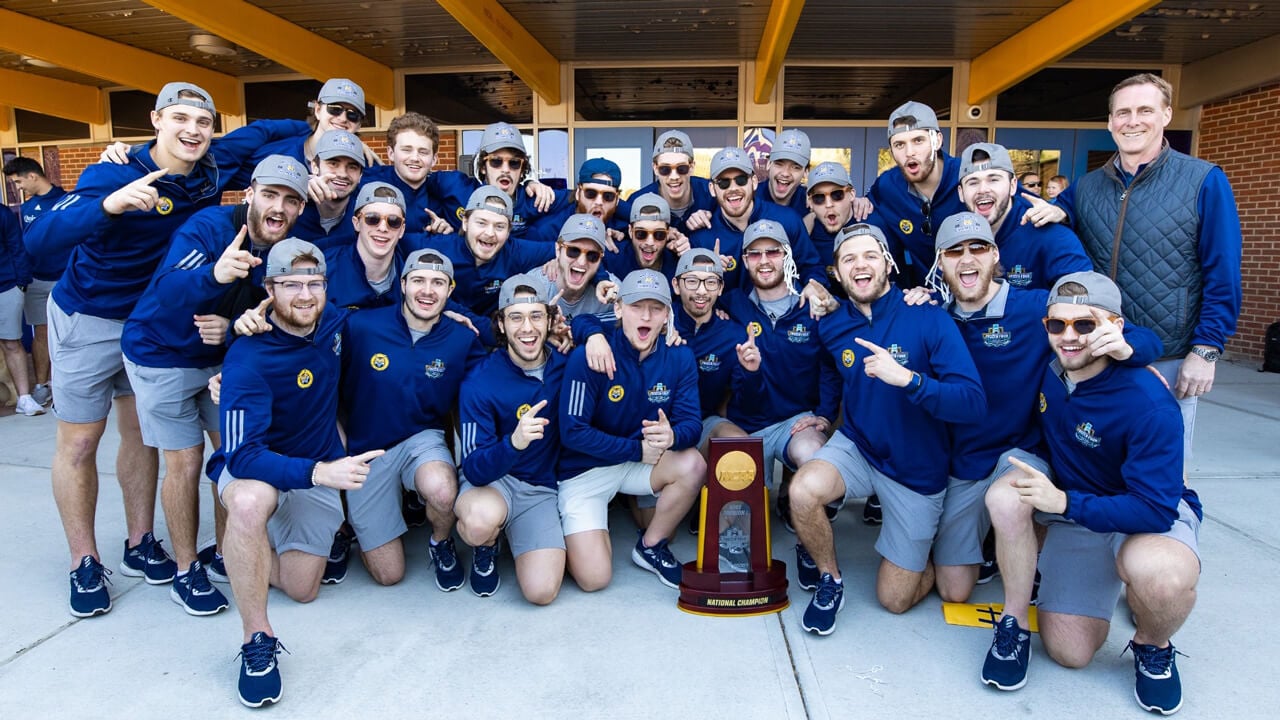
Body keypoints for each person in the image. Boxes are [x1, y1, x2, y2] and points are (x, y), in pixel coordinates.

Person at [24, 82, 237, 617]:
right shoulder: (112, 172)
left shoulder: (209, 175)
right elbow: (38, 243)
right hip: (91, 317)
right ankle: (84, 560)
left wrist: (324, 125)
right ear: (156, 120)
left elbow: (269, 135)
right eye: (180, 118)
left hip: (153, 327)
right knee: (79, 440)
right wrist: (108, 205)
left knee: (140, 434)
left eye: (203, 121)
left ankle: (140, 542)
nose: (192, 130)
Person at [1001, 271, 1201, 715]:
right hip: (1083, 515)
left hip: (1147, 512)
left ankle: (1153, 643)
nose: (1069, 336)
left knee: (1161, 578)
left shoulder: (1148, 400)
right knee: (1069, 652)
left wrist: (1065, 504)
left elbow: (1154, 507)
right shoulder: (1054, 369)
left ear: (1114, 327)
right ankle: (1107, 582)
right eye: (1058, 324)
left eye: (1085, 325)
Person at [121, 154, 308, 615]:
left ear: (301, 208)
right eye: (269, 194)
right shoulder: (208, 227)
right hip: (161, 354)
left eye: (290, 199)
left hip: (218, 362)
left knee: (233, 453)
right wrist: (215, 274)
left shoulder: (286, 248)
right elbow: (165, 289)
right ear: (250, 195)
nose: (279, 207)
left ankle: (224, 552)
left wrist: (231, 329)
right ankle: (186, 571)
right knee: (184, 462)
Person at [1028, 73, 1243, 469]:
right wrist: (1061, 210)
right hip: (1095, 351)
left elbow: (1223, 272)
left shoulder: (1203, 181)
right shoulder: (1087, 187)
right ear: (1110, 122)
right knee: (1092, 461)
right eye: (1122, 112)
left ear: (1165, 114)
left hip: (1168, 355)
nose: (1133, 121)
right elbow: (1064, 222)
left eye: (1144, 110)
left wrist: (1206, 349)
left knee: (1161, 469)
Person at [212, 239, 384, 708]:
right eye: (291, 285)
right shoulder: (247, 356)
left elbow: (391, 312)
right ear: (268, 289)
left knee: (303, 589)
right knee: (248, 503)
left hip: (315, 461)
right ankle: (256, 640)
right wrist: (319, 474)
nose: (305, 295)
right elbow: (242, 456)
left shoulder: (331, 323)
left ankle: (238, 555)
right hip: (265, 469)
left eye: (314, 283)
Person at [789, 223, 984, 635]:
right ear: (837, 275)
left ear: (889, 264)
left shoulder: (928, 317)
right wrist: (825, 415)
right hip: (860, 446)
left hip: (917, 470)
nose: (861, 266)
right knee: (803, 489)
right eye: (849, 259)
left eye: (870, 256)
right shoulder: (833, 322)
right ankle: (830, 579)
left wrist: (910, 380)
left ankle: (920, 553)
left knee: (894, 600)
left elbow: (972, 402)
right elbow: (831, 367)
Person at [336, 248, 487, 591]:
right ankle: (351, 523)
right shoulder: (361, 326)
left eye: (438, 283)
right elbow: (312, 360)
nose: (427, 290)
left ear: (450, 291)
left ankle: (440, 541)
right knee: (389, 575)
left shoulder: (462, 339)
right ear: (402, 284)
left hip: (422, 438)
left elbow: (492, 383)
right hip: (366, 450)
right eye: (418, 280)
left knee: (444, 490)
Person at [557, 269, 706, 590]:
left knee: (692, 463)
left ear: (667, 315)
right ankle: (578, 526)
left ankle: (650, 546)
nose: (647, 316)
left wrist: (674, 436)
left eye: (656, 308)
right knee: (594, 579)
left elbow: (693, 424)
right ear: (619, 309)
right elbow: (572, 432)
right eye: (637, 306)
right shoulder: (591, 355)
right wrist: (636, 449)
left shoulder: (679, 356)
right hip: (587, 470)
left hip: (639, 463)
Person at [715, 219, 839, 520]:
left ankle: (800, 513)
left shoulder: (813, 307)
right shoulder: (732, 304)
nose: (764, 261)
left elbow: (830, 368)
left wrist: (824, 414)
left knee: (811, 453)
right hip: (745, 422)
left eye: (773, 252)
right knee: (742, 523)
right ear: (744, 261)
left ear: (787, 256)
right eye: (755, 254)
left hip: (794, 421)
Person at [456, 274, 567, 603]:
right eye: (515, 317)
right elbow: (475, 468)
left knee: (542, 592)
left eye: (536, 316)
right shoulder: (480, 381)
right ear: (501, 324)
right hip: (493, 482)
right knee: (479, 523)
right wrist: (514, 442)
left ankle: (513, 533)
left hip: (540, 489)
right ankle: (487, 546)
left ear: (550, 320)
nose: (527, 328)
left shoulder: (567, 367)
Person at [401, 187, 558, 317]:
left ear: (510, 230)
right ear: (465, 222)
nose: (490, 233)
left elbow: (564, 248)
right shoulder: (437, 247)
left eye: (499, 226)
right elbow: (390, 239)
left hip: (490, 335)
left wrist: (559, 259)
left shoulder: (516, 251)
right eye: (481, 223)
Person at [953, 143, 1091, 290]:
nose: (983, 189)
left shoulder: (1052, 236)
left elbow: (1081, 299)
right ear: (961, 193)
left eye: (993, 180)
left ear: (1013, 186)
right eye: (973, 182)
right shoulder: (954, 237)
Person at [689, 147, 827, 291]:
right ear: (712, 188)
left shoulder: (787, 220)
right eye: (724, 183)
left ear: (754, 181)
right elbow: (692, 293)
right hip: (728, 312)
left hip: (783, 311)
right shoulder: (702, 238)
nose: (733, 188)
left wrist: (814, 287)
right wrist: (711, 276)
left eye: (741, 180)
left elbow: (811, 267)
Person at [865, 101, 965, 285]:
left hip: (975, 294)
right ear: (891, 151)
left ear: (937, 141)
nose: (909, 152)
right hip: (925, 296)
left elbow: (1014, 203)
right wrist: (860, 202)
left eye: (918, 140)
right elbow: (867, 205)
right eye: (900, 144)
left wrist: (1036, 208)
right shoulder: (888, 185)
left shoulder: (968, 175)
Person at [424, 121, 564, 237]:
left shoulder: (533, 200)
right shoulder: (455, 187)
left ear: (522, 168)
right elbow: (413, 182)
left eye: (514, 163)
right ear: (483, 166)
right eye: (496, 161)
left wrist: (533, 183)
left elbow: (579, 197)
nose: (505, 169)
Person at [3, 156, 65, 407]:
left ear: (32, 176)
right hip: (36, 280)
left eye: (18, 181)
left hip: (64, 279)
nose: (18, 188)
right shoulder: (25, 209)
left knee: (65, 335)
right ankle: (42, 385)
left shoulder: (67, 201)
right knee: (41, 332)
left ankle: (63, 386)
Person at [615, 130, 716, 235]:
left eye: (681, 168)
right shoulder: (638, 201)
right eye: (665, 169)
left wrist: (714, 217)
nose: (674, 176)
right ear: (655, 168)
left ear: (691, 167)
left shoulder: (711, 193)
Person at [526, 158, 628, 246]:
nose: (599, 202)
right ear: (578, 193)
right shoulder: (546, 232)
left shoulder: (622, 231)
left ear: (617, 199)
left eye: (608, 196)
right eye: (591, 193)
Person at [292, 129, 365, 249]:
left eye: (352, 167)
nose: (342, 174)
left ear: (360, 176)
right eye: (333, 163)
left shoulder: (366, 218)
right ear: (314, 167)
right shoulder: (291, 208)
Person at [0, 206, 38, 415]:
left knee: (11, 343)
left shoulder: (3, 214)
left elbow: (17, 247)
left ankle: (24, 398)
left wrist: (21, 283)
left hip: (5, 286)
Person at [605, 192, 688, 281]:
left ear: (668, 234)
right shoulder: (612, 257)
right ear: (630, 231)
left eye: (659, 234)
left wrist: (687, 258)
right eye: (641, 233)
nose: (649, 242)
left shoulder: (678, 266)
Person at [755, 128, 811, 216]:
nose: (785, 173)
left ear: (805, 173)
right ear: (769, 164)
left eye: (795, 167)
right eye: (779, 164)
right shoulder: (751, 198)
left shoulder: (811, 203)